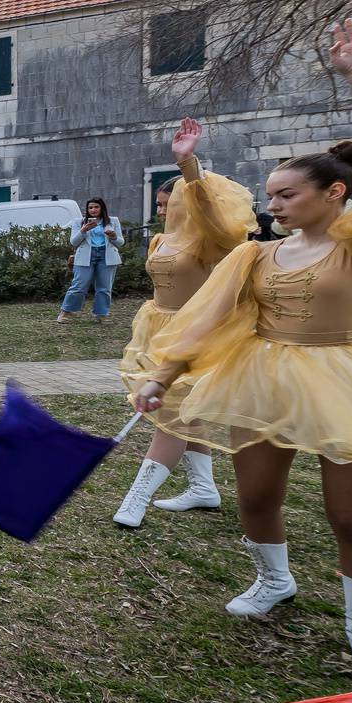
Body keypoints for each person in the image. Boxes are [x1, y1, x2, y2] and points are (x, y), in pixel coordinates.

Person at [135, 19, 352, 684]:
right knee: (256, 496)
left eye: (286, 195)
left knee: (351, 516)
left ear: (335, 194)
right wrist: (166, 374)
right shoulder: (257, 254)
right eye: (269, 197)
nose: (275, 206)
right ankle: (274, 580)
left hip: (349, 376)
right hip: (263, 377)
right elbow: (211, 320)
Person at [112, 119, 256, 528]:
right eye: (158, 205)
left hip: (198, 333)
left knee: (172, 415)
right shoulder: (161, 241)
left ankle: (136, 498)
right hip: (158, 327)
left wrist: (188, 165)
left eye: (168, 204)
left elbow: (211, 212)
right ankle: (203, 487)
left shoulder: (211, 239)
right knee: (186, 412)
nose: (162, 211)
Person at [59, 198, 123, 323]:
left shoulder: (112, 221)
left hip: (106, 256)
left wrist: (114, 236)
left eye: (96, 207)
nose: (93, 210)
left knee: (104, 288)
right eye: (90, 208)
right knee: (79, 286)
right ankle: (66, 313)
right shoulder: (79, 222)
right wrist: (84, 230)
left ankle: (101, 314)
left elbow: (121, 242)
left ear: (102, 208)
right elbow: (73, 242)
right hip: (85, 256)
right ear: (87, 210)